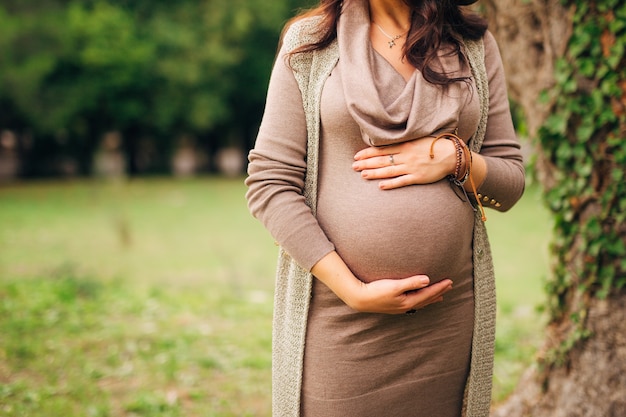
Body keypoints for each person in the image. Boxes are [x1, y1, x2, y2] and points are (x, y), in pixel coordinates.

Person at [245, 0, 525, 416]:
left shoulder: (471, 44)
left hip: (446, 323)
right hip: (338, 321)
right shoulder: (311, 44)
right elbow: (270, 183)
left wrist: (456, 157)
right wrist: (352, 291)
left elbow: (511, 183)